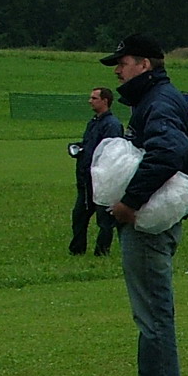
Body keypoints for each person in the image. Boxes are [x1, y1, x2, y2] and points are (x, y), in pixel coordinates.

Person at [98, 33, 188, 376]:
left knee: (153, 316)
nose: (118, 72)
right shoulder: (160, 98)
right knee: (153, 314)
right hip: (156, 218)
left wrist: (130, 203)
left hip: (149, 223)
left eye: (122, 63)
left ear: (144, 64)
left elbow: (167, 151)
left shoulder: (158, 102)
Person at [69, 87, 122, 255]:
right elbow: (90, 145)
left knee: (104, 220)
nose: (90, 101)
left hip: (101, 179)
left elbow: (112, 152)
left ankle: (101, 252)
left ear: (105, 101)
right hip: (86, 178)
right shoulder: (93, 122)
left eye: (94, 98)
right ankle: (77, 250)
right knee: (79, 216)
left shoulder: (112, 125)